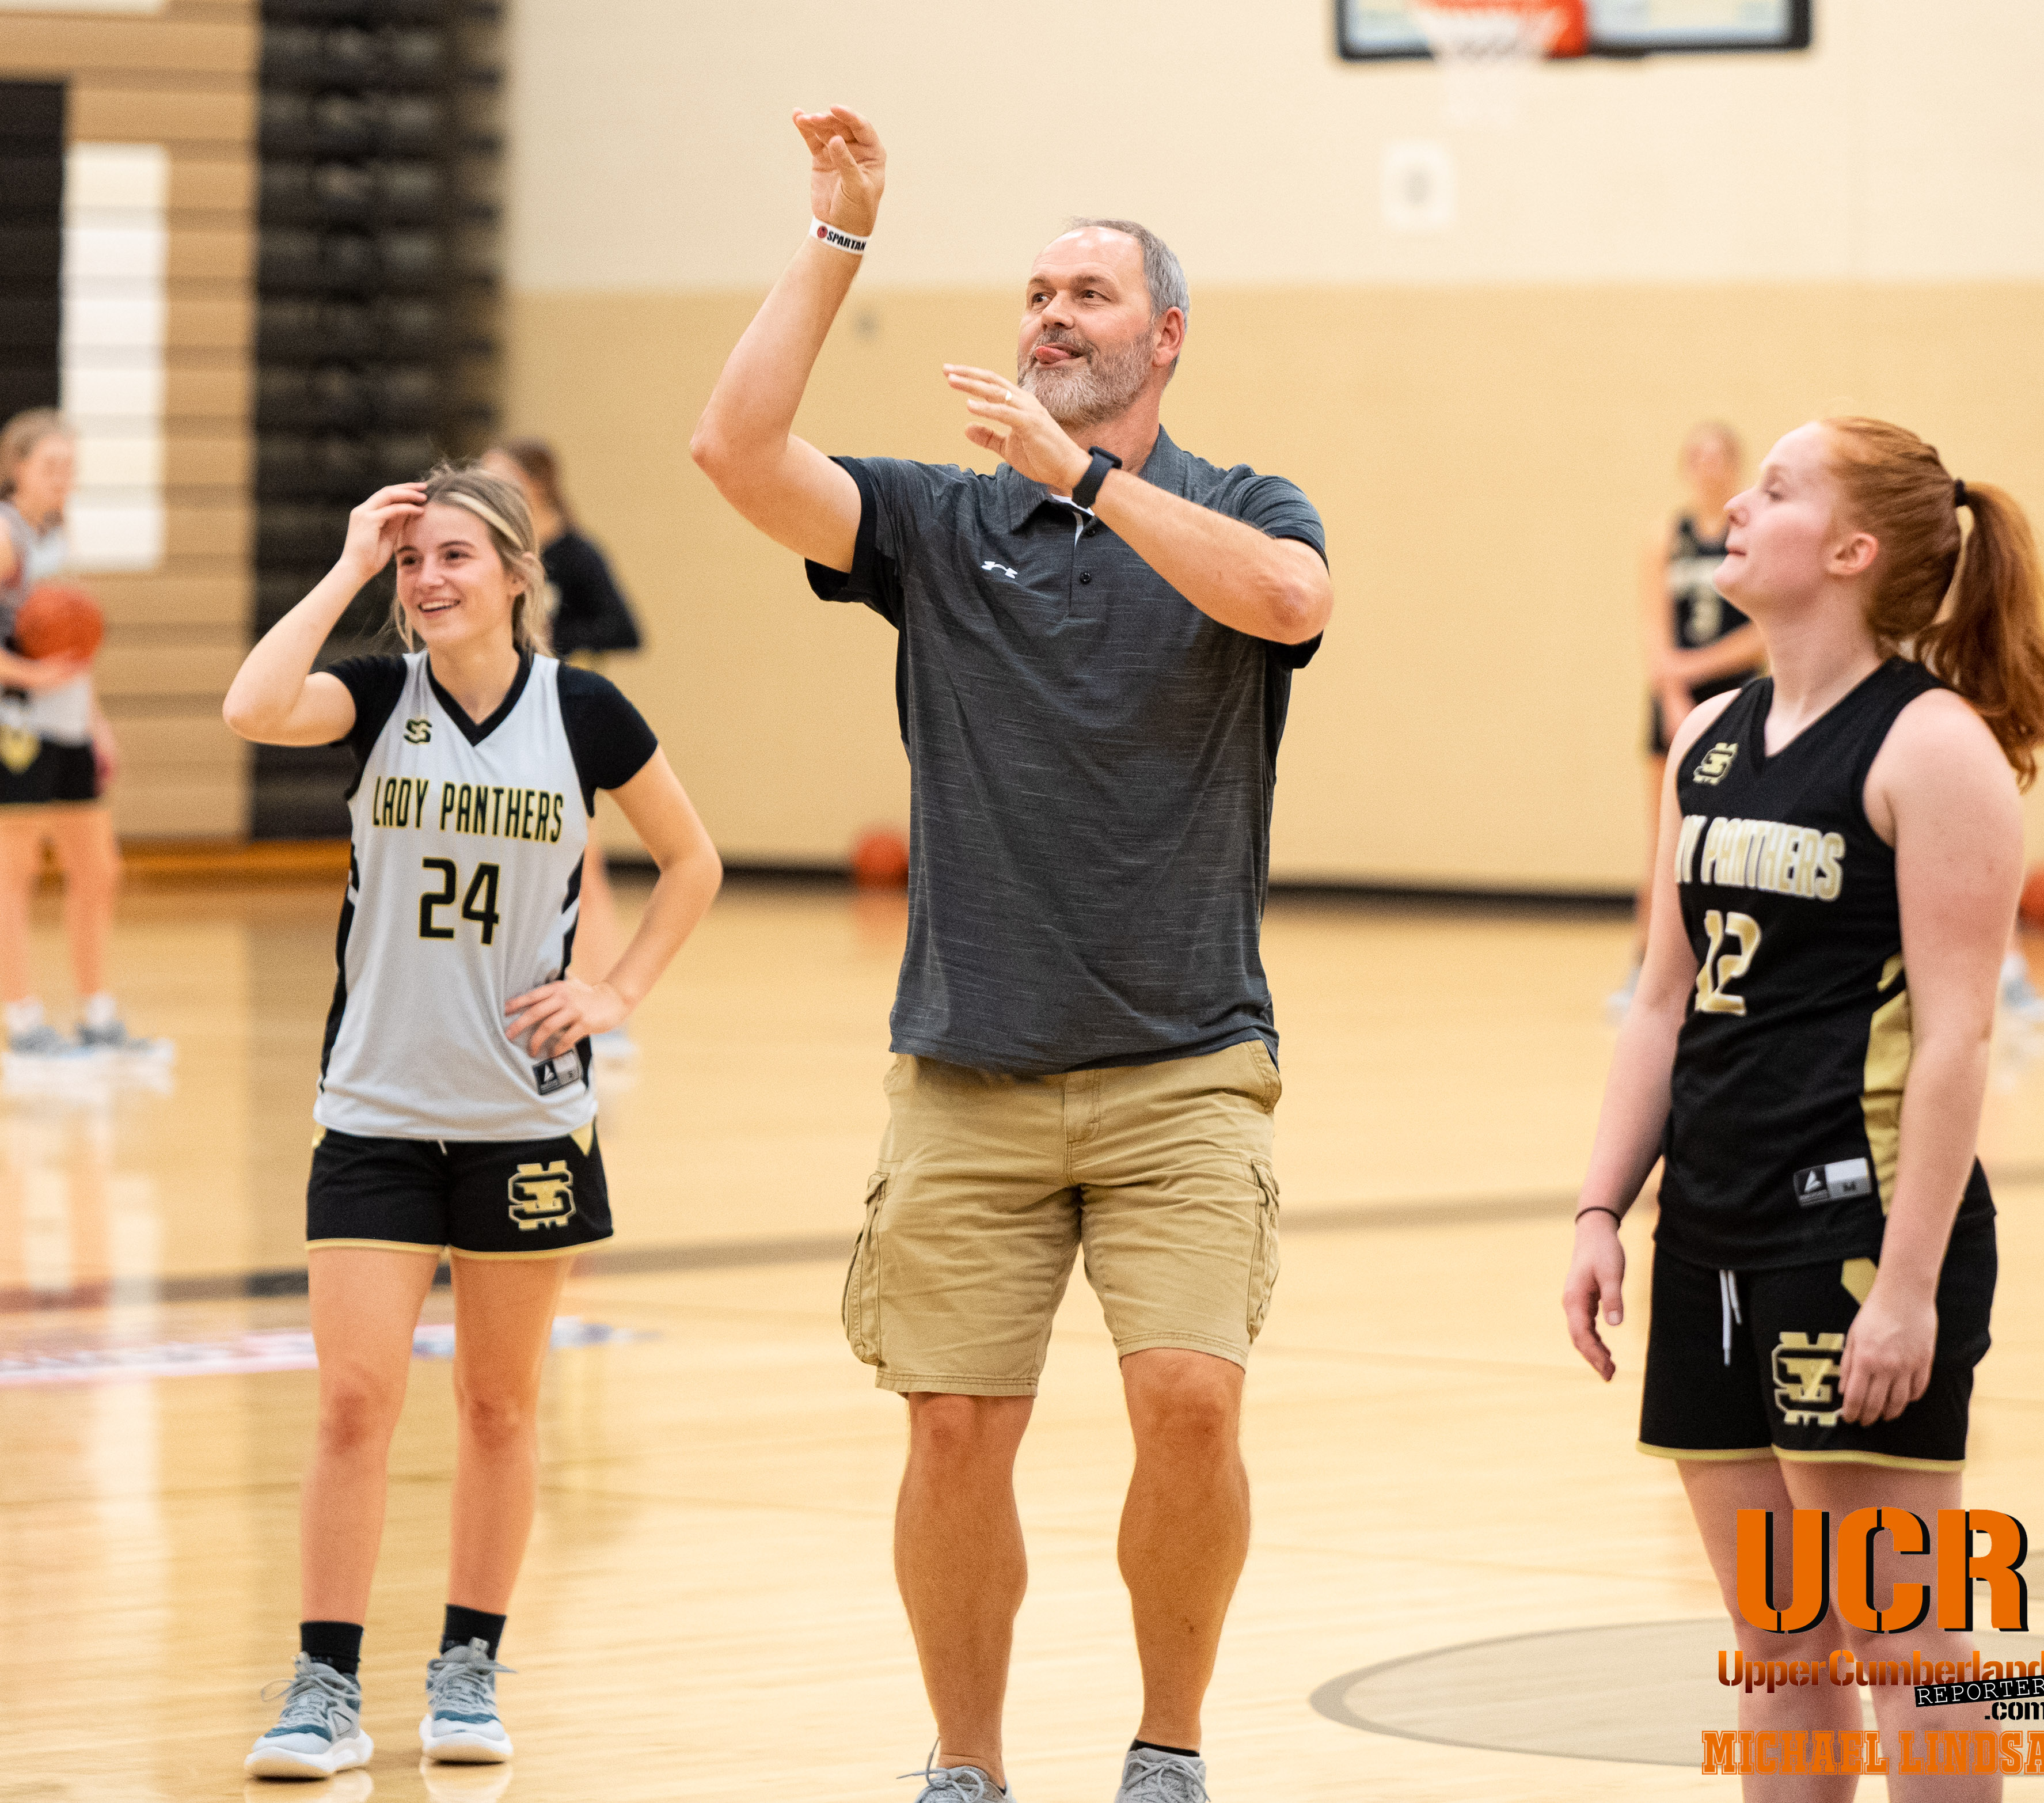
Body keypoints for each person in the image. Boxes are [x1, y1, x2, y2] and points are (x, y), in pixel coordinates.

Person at [690, 107, 1331, 1803]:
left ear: (1164, 336)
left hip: (1185, 1069)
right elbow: (734, 452)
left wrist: (1094, 485)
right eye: (1036, 293)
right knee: (953, 1427)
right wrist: (838, 235)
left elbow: (1289, 603)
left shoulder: (1242, 504)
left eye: (1087, 294)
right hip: (968, 1068)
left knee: (1189, 1399)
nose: (1050, 315)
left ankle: (1166, 1745)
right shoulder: (933, 523)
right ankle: (965, 1763)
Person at [1563, 418, 2044, 1802]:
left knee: (1906, 1639)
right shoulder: (1705, 739)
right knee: (1775, 1640)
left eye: (1774, 490)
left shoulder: (1929, 746)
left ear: (1849, 550)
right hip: (1707, 1233)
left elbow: (1958, 1034)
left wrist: (1904, 1288)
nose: (1734, 506)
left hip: (1854, 1236)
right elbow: (1659, 1001)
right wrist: (1601, 1206)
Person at [223, 464, 720, 1779]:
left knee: (499, 1406)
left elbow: (694, 860)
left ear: (513, 575)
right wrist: (346, 562)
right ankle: (325, 1686)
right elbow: (253, 705)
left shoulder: (583, 712)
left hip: (524, 1117)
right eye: (412, 561)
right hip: (374, 1110)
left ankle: (468, 1669)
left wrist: (616, 990)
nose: (429, 579)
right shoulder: (378, 697)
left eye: (454, 556)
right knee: (352, 1400)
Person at [480, 438, 646, 1057]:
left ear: (537, 484)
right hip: (499, 713)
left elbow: (626, 629)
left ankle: (608, 1010)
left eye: (498, 476)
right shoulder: (491, 551)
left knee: (584, 869)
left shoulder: (576, 554)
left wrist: (556, 633)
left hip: (558, 718)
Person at [0, 409, 157, 1058]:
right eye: (51, 465)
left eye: (70, 465)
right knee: (13, 873)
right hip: (16, 727)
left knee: (97, 868)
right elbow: (38, 660)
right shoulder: (5, 533)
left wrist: (97, 724)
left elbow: (75, 650)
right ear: (17, 467)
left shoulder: (58, 533)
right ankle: (22, 1019)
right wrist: (32, 676)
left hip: (68, 726)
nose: (63, 476)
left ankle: (96, 1014)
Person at [1609, 422, 1764, 1018]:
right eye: (1697, 456)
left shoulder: (1752, 534)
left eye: (1719, 456)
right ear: (1685, 466)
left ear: (1735, 465)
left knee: (1736, 834)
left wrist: (1693, 667)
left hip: (1736, 695)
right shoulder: (1665, 537)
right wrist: (1674, 695)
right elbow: (1653, 628)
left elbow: (1759, 636)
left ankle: (1732, 966)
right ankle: (1642, 966)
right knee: (1663, 839)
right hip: (1674, 699)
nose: (1708, 466)